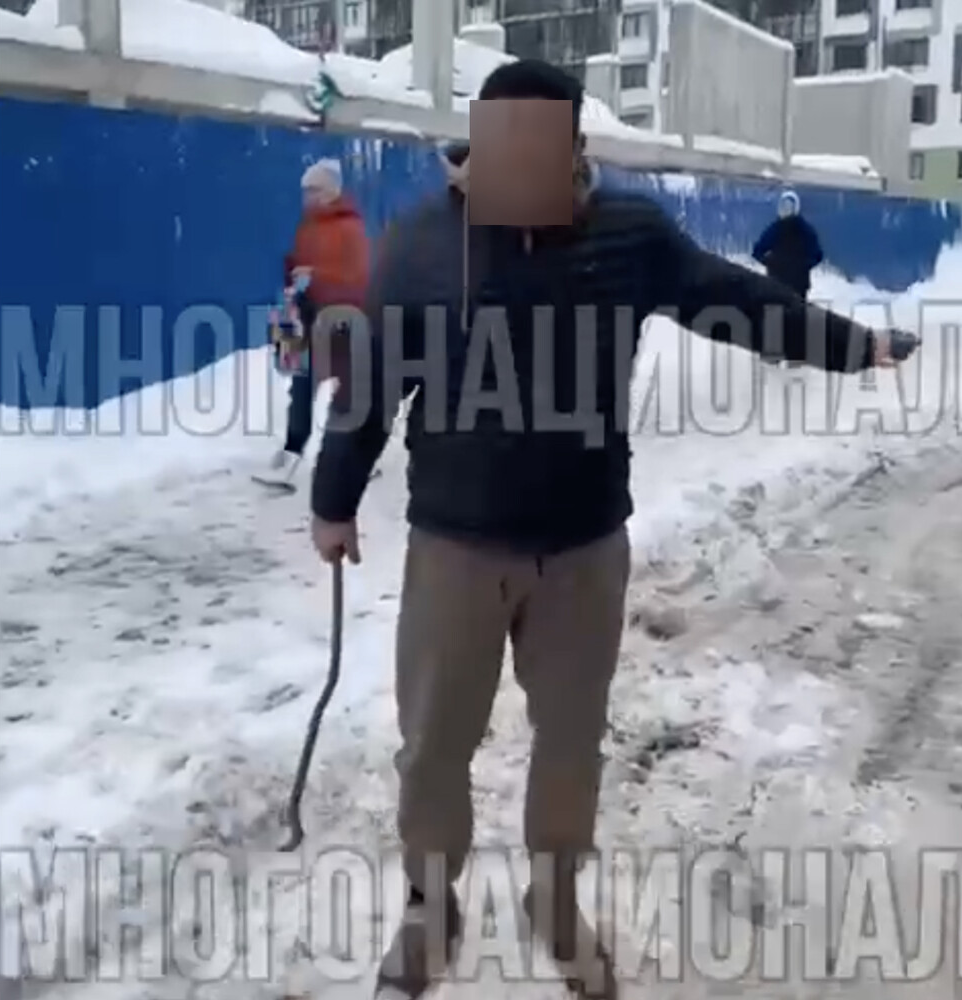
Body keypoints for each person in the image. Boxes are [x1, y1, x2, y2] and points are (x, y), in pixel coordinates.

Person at [310, 60, 910, 999]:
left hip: (584, 552)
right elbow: (371, 386)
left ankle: (555, 901)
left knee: (570, 744)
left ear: (575, 146)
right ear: (477, 145)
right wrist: (333, 501)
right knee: (432, 746)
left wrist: (853, 346)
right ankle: (430, 906)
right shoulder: (424, 244)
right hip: (455, 549)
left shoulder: (628, 235)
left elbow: (736, 302)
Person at [262, 157, 370, 489]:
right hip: (308, 317)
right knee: (302, 384)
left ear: (331, 191)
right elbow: (301, 264)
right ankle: (293, 449)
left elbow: (358, 278)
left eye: (313, 190)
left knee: (347, 392)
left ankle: (354, 456)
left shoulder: (350, 228)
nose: (307, 197)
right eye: (305, 190)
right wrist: (292, 271)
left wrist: (316, 275)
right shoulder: (308, 226)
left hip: (342, 320)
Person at [753, 189, 825, 368]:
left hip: (795, 283)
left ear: (796, 207)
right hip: (778, 282)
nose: (786, 209)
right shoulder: (775, 229)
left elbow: (817, 254)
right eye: (783, 205)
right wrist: (770, 262)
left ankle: (795, 355)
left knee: (794, 318)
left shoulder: (804, 230)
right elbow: (757, 251)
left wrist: (803, 265)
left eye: (789, 206)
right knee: (776, 317)